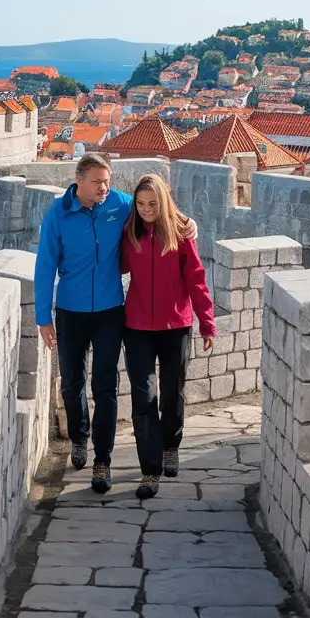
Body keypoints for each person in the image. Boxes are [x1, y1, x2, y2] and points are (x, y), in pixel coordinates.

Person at [34, 151, 132, 493]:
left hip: (109, 311)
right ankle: (79, 437)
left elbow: (155, 209)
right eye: (97, 182)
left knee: (105, 386)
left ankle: (102, 461)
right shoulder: (58, 215)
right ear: (79, 181)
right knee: (71, 383)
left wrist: (185, 222)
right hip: (71, 312)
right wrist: (43, 317)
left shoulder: (120, 204)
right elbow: (45, 266)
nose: (104, 188)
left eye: (107, 181)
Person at [121, 172, 216, 499]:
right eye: (141, 204)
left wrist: (207, 322)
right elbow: (117, 265)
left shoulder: (180, 233)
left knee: (173, 391)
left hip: (175, 325)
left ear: (163, 202)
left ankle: (171, 445)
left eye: (152, 204)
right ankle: (150, 470)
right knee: (144, 396)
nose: (146, 209)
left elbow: (197, 279)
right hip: (136, 327)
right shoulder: (129, 231)